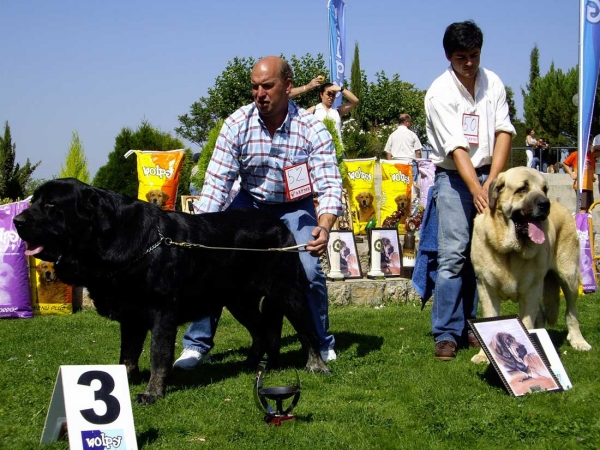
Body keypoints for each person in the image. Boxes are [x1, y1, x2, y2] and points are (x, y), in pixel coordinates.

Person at [174, 56, 343, 370]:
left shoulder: (312, 129)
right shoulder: (237, 124)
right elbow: (218, 182)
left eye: (268, 86)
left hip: (296, 208)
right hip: (249, 205)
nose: (260, 93)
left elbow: (329, 183)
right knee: (210, 259)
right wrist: (199, 231)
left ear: (287, 87)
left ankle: (320, 344)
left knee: (309, 268)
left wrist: (325, 224)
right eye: (255, 87)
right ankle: (196, 346)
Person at [424, 20, 516, 361]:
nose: (469, 62)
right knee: (453, 256)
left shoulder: (493, 82)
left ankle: (480, 325)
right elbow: (456, 148)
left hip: (489, 173)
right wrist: (477, 188)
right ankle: (446, 333)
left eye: (474, 55)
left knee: (487, 254)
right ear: (448, 56)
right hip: (452, 177)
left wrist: (493, 179)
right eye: (461, 56)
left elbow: (504, 131)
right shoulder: (439, 93)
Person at [562, 140, 600, 213]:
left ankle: (587, 223)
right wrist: (571, 174)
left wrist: (592, 177)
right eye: (587, 144)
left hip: (589, 186)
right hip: (581, 186)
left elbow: (591, 169)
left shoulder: (591, 157)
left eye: (590, 144)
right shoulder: (576, 154)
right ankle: (581, 223)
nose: (589, 146)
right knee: (582, 208)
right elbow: (565, 163)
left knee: (589, 208)